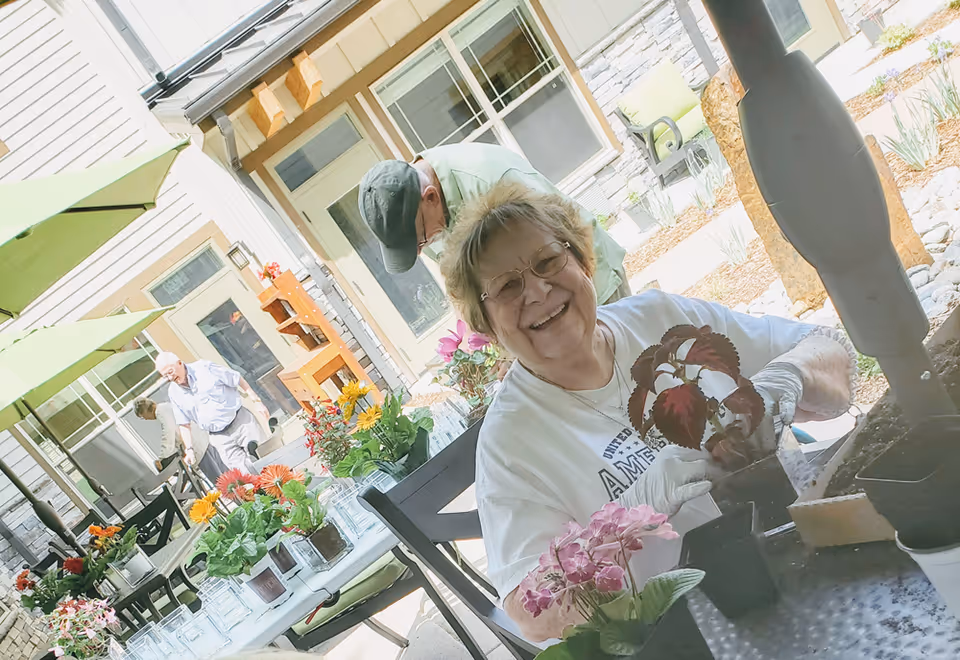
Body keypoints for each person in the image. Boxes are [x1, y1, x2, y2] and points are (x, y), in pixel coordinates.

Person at [439, 182, 856, 642]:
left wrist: (789, 378)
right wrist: (632, 513)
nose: (537, 291)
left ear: (582, 261)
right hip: (683, 637)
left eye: (547, 262)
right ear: (486, 325)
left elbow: (830, 352)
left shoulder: (659, 320)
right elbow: (531, 612)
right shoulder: (509, 444)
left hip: (809, 552)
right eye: (508, 287)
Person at [359, 142, 630, 306]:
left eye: (421, 241)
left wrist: (591, 312)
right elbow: (466, 287)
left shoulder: (490, 178)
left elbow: (567, 235)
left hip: (594, 283)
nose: (422, 249)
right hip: (543, 304)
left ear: (430, 197)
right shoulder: (424, 214)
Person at [155, 352, 270, 475]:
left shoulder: (204, 368)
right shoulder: (173, 392)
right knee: (247, 476)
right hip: (219, 438)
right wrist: (189, 450)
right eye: (165, 376)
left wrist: (256, 401)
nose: (170, 378)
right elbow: (183, 424)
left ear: (179, 363)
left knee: (267, 461)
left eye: (170, 372)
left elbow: (236, 378)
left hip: (241, 422)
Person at [132, 397, 228, 482]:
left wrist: (162, 458)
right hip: (203, 439)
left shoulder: (161, 412)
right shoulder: (167, 406)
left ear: (143, 412)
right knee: (228, 475)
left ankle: (239, 499)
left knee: (221, 481)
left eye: (143, 417)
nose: (146, 419)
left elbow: (170, 433)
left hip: (196, 447)